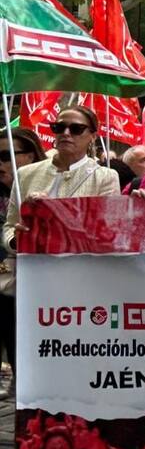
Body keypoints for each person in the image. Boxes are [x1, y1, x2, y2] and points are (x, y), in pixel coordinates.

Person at [2, 107, 118, 402]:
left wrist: (52, 213)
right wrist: (18, 239)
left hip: (79, 284)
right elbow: (9, 226)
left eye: (76, 128)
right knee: (30, 352)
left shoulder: (105, 177)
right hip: (32, 282)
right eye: (59, 126)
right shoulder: (26, 174)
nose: (66, 133)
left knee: (75, 352)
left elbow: (106, 230)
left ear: (92, 135)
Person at [0, 128, 44, 401]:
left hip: (35, 281)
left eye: (6, 156)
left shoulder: (43, 185)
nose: (0, 164)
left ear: (29, 155)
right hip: (4, 283)